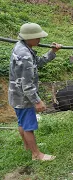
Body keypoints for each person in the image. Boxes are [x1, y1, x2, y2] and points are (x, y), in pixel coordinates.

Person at [8, 22, 62, 161]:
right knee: (28, 126)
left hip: (16, 94)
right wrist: (37, 101)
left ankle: (28, 146)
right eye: (37, 37)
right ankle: (36, 154)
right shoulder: (24, 55)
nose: (40, 40)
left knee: (22, 123)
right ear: (29, 37)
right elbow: (27, 84)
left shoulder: (21, 47)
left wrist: (52, 53)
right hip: (24, 97)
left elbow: (37, 62)